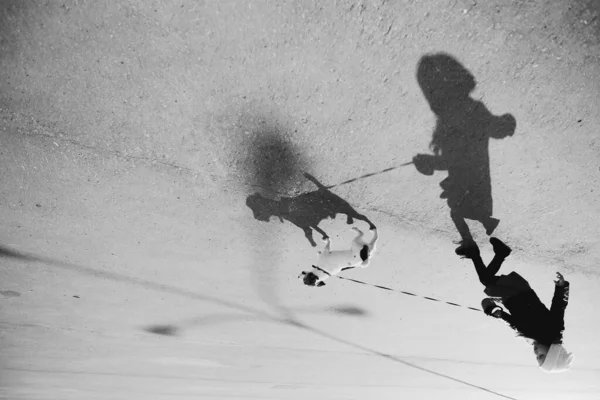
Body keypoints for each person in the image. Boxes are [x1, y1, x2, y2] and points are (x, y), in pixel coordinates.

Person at [459, 238, 574, 372]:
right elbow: (559, 307)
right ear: (552, 352)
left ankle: (498, 253)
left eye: (537, 358)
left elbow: (515, 324)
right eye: (542, 355)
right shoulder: (554, 328)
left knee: (487, 280)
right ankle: (481, 253)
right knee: (486, 280)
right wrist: (562, 288)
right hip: (520, 292)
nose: (536, 354)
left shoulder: (532, 339)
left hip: (509, 298)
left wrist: (499, 314)